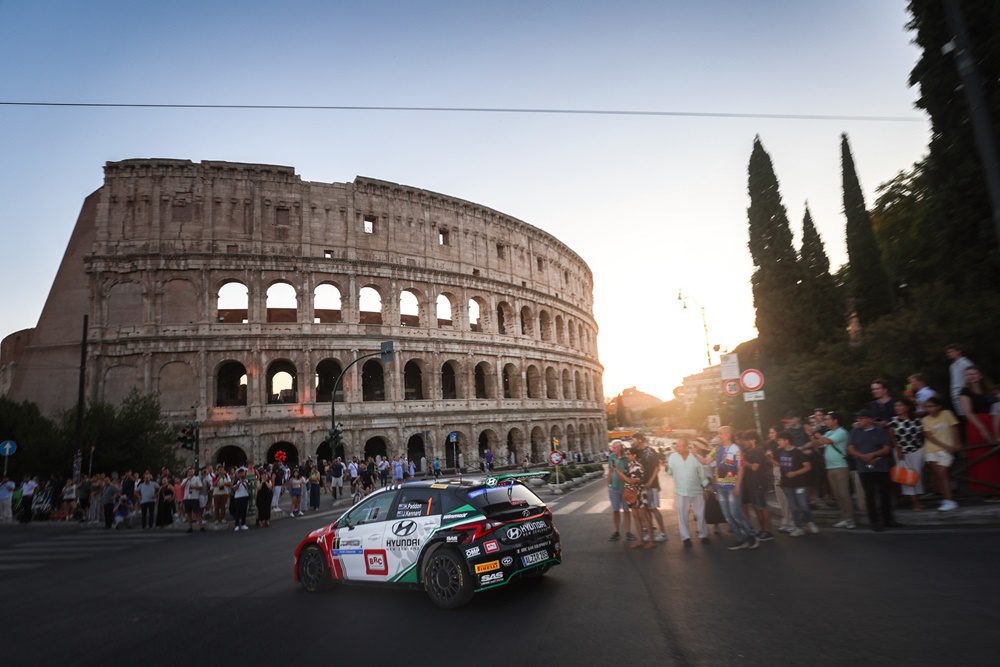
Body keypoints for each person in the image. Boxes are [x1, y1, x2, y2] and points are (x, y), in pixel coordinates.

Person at [848, 410, 896, 531]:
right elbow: (850, 448)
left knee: (884, 494)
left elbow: (887, 448)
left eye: (861, 418)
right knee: (870, 495)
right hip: (864, 468)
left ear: (869, 419)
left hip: (881, 467)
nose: (859, 421)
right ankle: (874, 521)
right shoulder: (854, 432)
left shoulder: (879, 431)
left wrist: (873, 455)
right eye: (858, 419)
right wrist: (863, 457)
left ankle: (888, 520)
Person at [713, 426, 759, 550]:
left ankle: (751, 536)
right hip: (721, 487)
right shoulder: (719, 449)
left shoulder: (736, 449)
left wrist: (737, 485)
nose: (719, 436)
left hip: (732, 486)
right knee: (727, 515)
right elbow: (713, 465)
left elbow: (741, 468)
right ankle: (740, 539)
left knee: (735, 513)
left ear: (728, 435)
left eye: (720, 433)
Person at [959, 366, 999, 493]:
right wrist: (982, 428)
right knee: (983, 456)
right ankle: (987, 490)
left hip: (993, 423)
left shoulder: (988, 390)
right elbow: (967, 412)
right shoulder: (965, 391)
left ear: (980, 375)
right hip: (976, 425)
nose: (971, 376)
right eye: (968, 374)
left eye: (974, 373)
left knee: (995, 456)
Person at [813, 412, 854, 528]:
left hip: (840, 467)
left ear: (835, 421)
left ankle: (850, 519)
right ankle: (844, 517)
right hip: (830, 467)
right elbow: (818, 444)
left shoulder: (841, 432)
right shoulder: (828, 433)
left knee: (844, 494)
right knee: (837, 495)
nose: (825, 421)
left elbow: (826, 441)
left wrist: (817, 435)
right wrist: (811, 435)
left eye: (827, 419)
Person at [667, 437, 709, 546]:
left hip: (696, 490)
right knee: (682, 515)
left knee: (700, 514)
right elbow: (670, 472)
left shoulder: (694, 457)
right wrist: (667, 468)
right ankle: (686, 538)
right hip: (681, 491)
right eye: (677, 445)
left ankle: (703, 535)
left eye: (680, 446)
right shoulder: (673, 457)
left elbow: (701, 474)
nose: (677, 448)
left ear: (686, 447)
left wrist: (706, 487)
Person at [922, 396, 960, 512]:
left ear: (939, 406)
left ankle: (949, 500)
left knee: (942, 473)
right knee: (939, 474)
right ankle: (947, 499)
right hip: (931, 449)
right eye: (927, 407)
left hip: (946, 450)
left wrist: (957, 443)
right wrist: (946, 446)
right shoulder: (925, 420)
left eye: (932, 406)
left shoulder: (947, 414)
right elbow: (929, 437)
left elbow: (955, 428)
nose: (929, 409)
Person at [888, 397, 925, 511]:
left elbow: (922, 435)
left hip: (917, 451)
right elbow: (892, 437)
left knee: (917, 476)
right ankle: (915, 503)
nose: (897, 408)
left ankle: (917, 500)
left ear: (907, 407)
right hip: (902, 453)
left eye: (900, 405)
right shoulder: (893, 421)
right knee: (906, 477)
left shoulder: (917, 420)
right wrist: (898, 450)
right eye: (896, 406)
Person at [614, 447, 654, 550]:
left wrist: (619, 472)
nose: (627, 456)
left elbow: (631, 481)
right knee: (636, 517)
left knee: (644, 518)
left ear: (634, 455)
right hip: (632, 494)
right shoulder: (629, 465)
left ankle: (651, 541)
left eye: (629, 454)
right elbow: (625, 480)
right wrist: (619, 473)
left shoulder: (638, 467)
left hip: (639, 494)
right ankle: (640, 540)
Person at [777, 431, 816, 536]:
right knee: (793, 507)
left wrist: (795, 473)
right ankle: (799, 527)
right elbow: (780, 465)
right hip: (786, 485)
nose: (778, 442)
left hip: (799, 484)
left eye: (780, 440)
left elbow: (808, 467)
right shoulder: (779, 452)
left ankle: (809, 521)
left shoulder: (797, 452)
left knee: (803, 505)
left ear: (787, 441)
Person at [739, 431, 773, 541]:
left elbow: (755, 467)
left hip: (759, 483)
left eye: (747, 440)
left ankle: (767, 531)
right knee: (757, 508)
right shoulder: (748, 451)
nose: (744, 442)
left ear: (753, 440)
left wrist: (744, 462)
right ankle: (762, 530)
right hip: (751, 484)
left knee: (762, 507)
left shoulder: (759, 451)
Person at [634, 434, 667, 543]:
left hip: (651, 485)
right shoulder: (640, 452)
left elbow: (657, 468)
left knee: (653, 508)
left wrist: (650, 482)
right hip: (643, 486)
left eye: (634, 439)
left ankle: (663, 533)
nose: (632, 442)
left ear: (639, 440)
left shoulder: (650, 452)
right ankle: (651, 533)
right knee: (647, 509)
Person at [764, 427, 793, 533]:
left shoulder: (785, 448)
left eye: (772, 432)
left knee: (786, 499)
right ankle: (785, 521)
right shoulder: (771, 445)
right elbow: (770, 460)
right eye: (769, 432)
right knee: (780, 499)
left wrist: (770, 458)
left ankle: (790, 522)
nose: (770, 434)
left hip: (783, 473)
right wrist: (769, 458)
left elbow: (779, 463)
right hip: (776, 473)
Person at [605, 440, 633, 542]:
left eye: (614, 447)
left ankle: (628, 532)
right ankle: (616, 532)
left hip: (625, 488)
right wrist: (608, 485)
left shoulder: (626, 458)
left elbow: (630, 471)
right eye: (612, 447)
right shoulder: (611, 457)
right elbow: (610, 471)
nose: (612, 449)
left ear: (620, 447)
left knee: (626, 511)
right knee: (615, 511)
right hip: (614, 488)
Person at [946, 344, 975, 417]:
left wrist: (965, 391)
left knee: (969, 414)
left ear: (958, 351)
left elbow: (971, 377)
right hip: (955, 394)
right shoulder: (952, 366)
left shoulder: (965, 363)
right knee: (963, 416)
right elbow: (953, 381)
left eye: (951, 351)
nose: (949, 354)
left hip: (964, 393)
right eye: (948, 352)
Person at [181, 467, 204, 533]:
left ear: (193, 472)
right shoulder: (185, 479)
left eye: (191, 471)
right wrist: (187, 480)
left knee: (197, 513)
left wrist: (194, 487)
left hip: (194, 497)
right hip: (187, 498)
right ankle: (190, 527)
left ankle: (201, 527)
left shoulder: (196, 478)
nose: (190, 473)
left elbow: (200, 487)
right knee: (188, 513)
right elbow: (181, 487)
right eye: (189, 471)